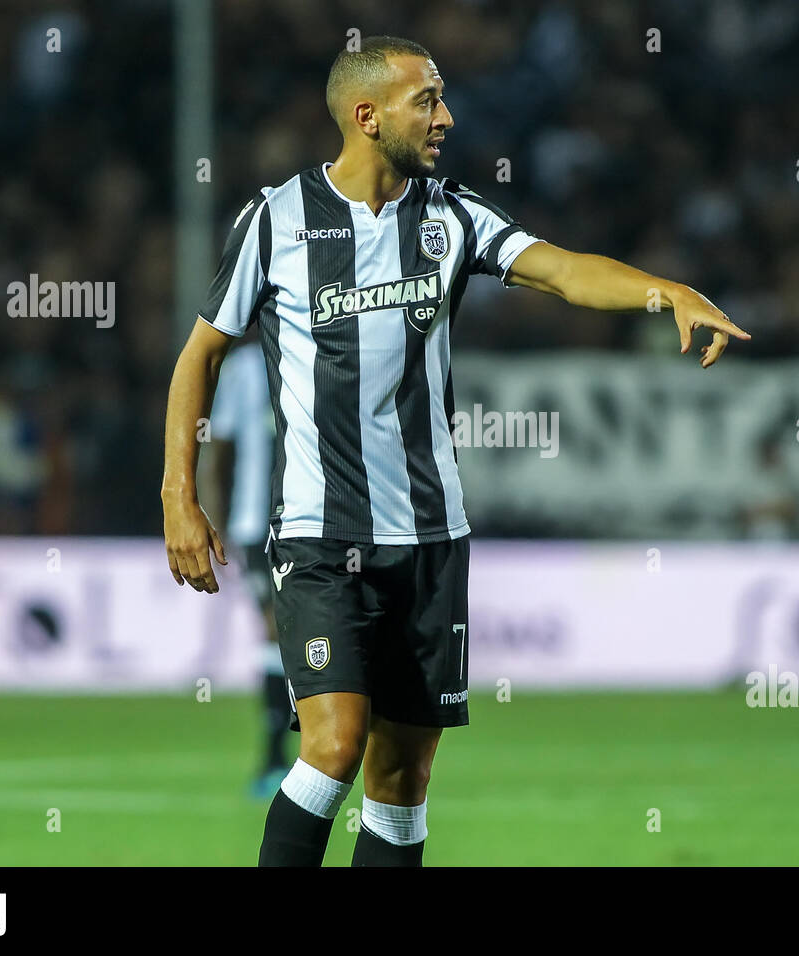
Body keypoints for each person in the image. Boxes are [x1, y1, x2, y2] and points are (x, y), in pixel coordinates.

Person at [161, 35, 747, 867]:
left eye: (441, 98)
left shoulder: (452, 215)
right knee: (333, 747)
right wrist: (176, 494)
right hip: (320, 536)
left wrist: (669, 292)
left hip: (431, 538)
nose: (447, 116)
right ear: (367, 116)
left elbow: (564, 271)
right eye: (426, 100)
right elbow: (200, 355)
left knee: (400, 779)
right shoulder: (275, 220)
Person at [198, 340, 297, 798]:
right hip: (258, 522)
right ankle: (276, 757)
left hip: (318, 519)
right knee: (275, 627)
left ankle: (312, 749)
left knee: (303, 629)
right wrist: (211, 518)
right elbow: (220, 448)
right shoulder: (243, 368)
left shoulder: (324, 342)